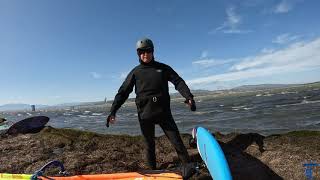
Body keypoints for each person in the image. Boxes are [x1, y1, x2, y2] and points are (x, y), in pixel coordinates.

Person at [106, 38, 196, 170]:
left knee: (177, 142)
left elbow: (178, 82)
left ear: (152, 52)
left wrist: (188, 96)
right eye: (142, 52)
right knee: (149, 146)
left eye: (148, 51)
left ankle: (188, 167)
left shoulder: (163, 68)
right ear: (138, 54)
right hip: (145, 114)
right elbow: (123, 92)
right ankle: (153, 172)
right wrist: (113, 111)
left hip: (163, 112)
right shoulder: (136, 72)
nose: (145, 54)